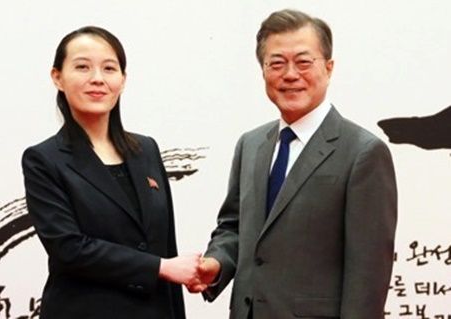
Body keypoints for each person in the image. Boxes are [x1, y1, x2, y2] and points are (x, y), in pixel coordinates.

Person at [188, 9, 397, 319]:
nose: (289, 74)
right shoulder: (251, 144)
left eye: (303, 62)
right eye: (276, 63)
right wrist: (216, 263)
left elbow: (367, 275)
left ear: (328, 68)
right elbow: (234, 227)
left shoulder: (363, 153)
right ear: (263, 72)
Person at [22, 26, 199, 319]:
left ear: (123, 79)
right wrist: (161, 268)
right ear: (58, 77)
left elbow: (165, 244)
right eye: (82, 67)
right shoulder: (44, 159)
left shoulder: (146, 149)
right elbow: (69, 248)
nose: (97, 79)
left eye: (109, 68)